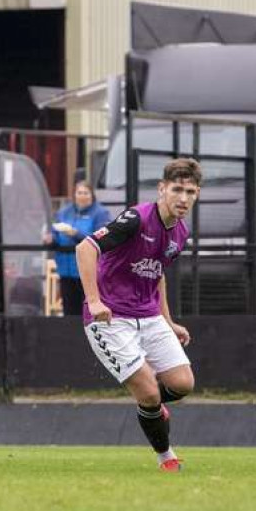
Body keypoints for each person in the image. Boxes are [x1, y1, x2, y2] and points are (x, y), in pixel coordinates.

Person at [75, 158, 200, 472]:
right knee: (147, 390)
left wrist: (168, 321)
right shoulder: (136, 219)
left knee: (183, 383)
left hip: (149, 316)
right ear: (161, 189)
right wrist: (94, 301)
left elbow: (157, 275)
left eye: (191, 191)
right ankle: (166, 457)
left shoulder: (181, 233)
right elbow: (85, 248)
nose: (183, 198)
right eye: (177, 190)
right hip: (110, 317)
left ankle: (153, 408)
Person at [44, 181, 111, 315]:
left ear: (92, 195)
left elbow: (101, 239)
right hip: (65, 270)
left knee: (88, 311)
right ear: (74, 195)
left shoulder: (101, 213)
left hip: (89, 272)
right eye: (79, 193)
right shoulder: (64, 212)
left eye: (86, 193)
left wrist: (76, 234)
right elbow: (56, 234)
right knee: (69, 309)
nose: (82, 196)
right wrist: (51, 239)